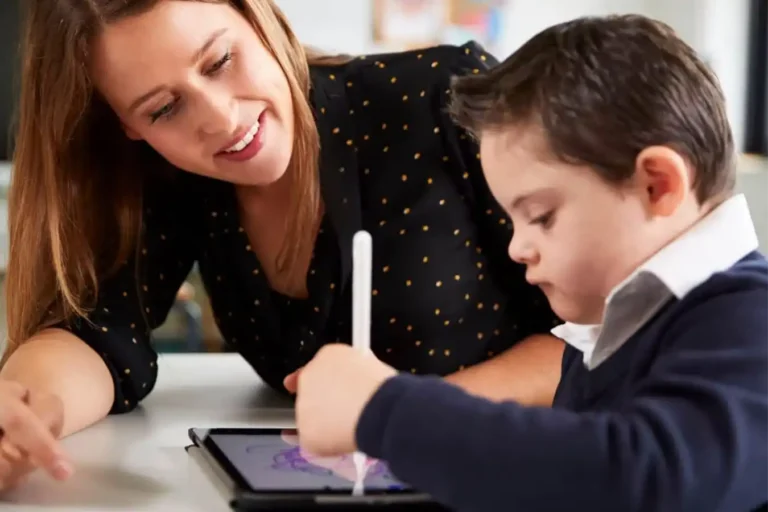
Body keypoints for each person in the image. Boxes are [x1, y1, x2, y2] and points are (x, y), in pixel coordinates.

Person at [0, 0, 563, 491]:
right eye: (163, 109)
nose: (221, 119)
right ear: (126, 125)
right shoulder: (172, 176)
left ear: (254, 15)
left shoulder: (445, 97)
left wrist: (404, 414)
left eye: (220, 61)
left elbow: (610, 337)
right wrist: (26, 406)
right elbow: (97, 334)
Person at [293, 14, 768, 512]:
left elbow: (644, 476)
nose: (517, 247)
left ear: (657, 185)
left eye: (540, 216)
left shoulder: (749, 320)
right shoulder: (607, 335)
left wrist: (384, 410)